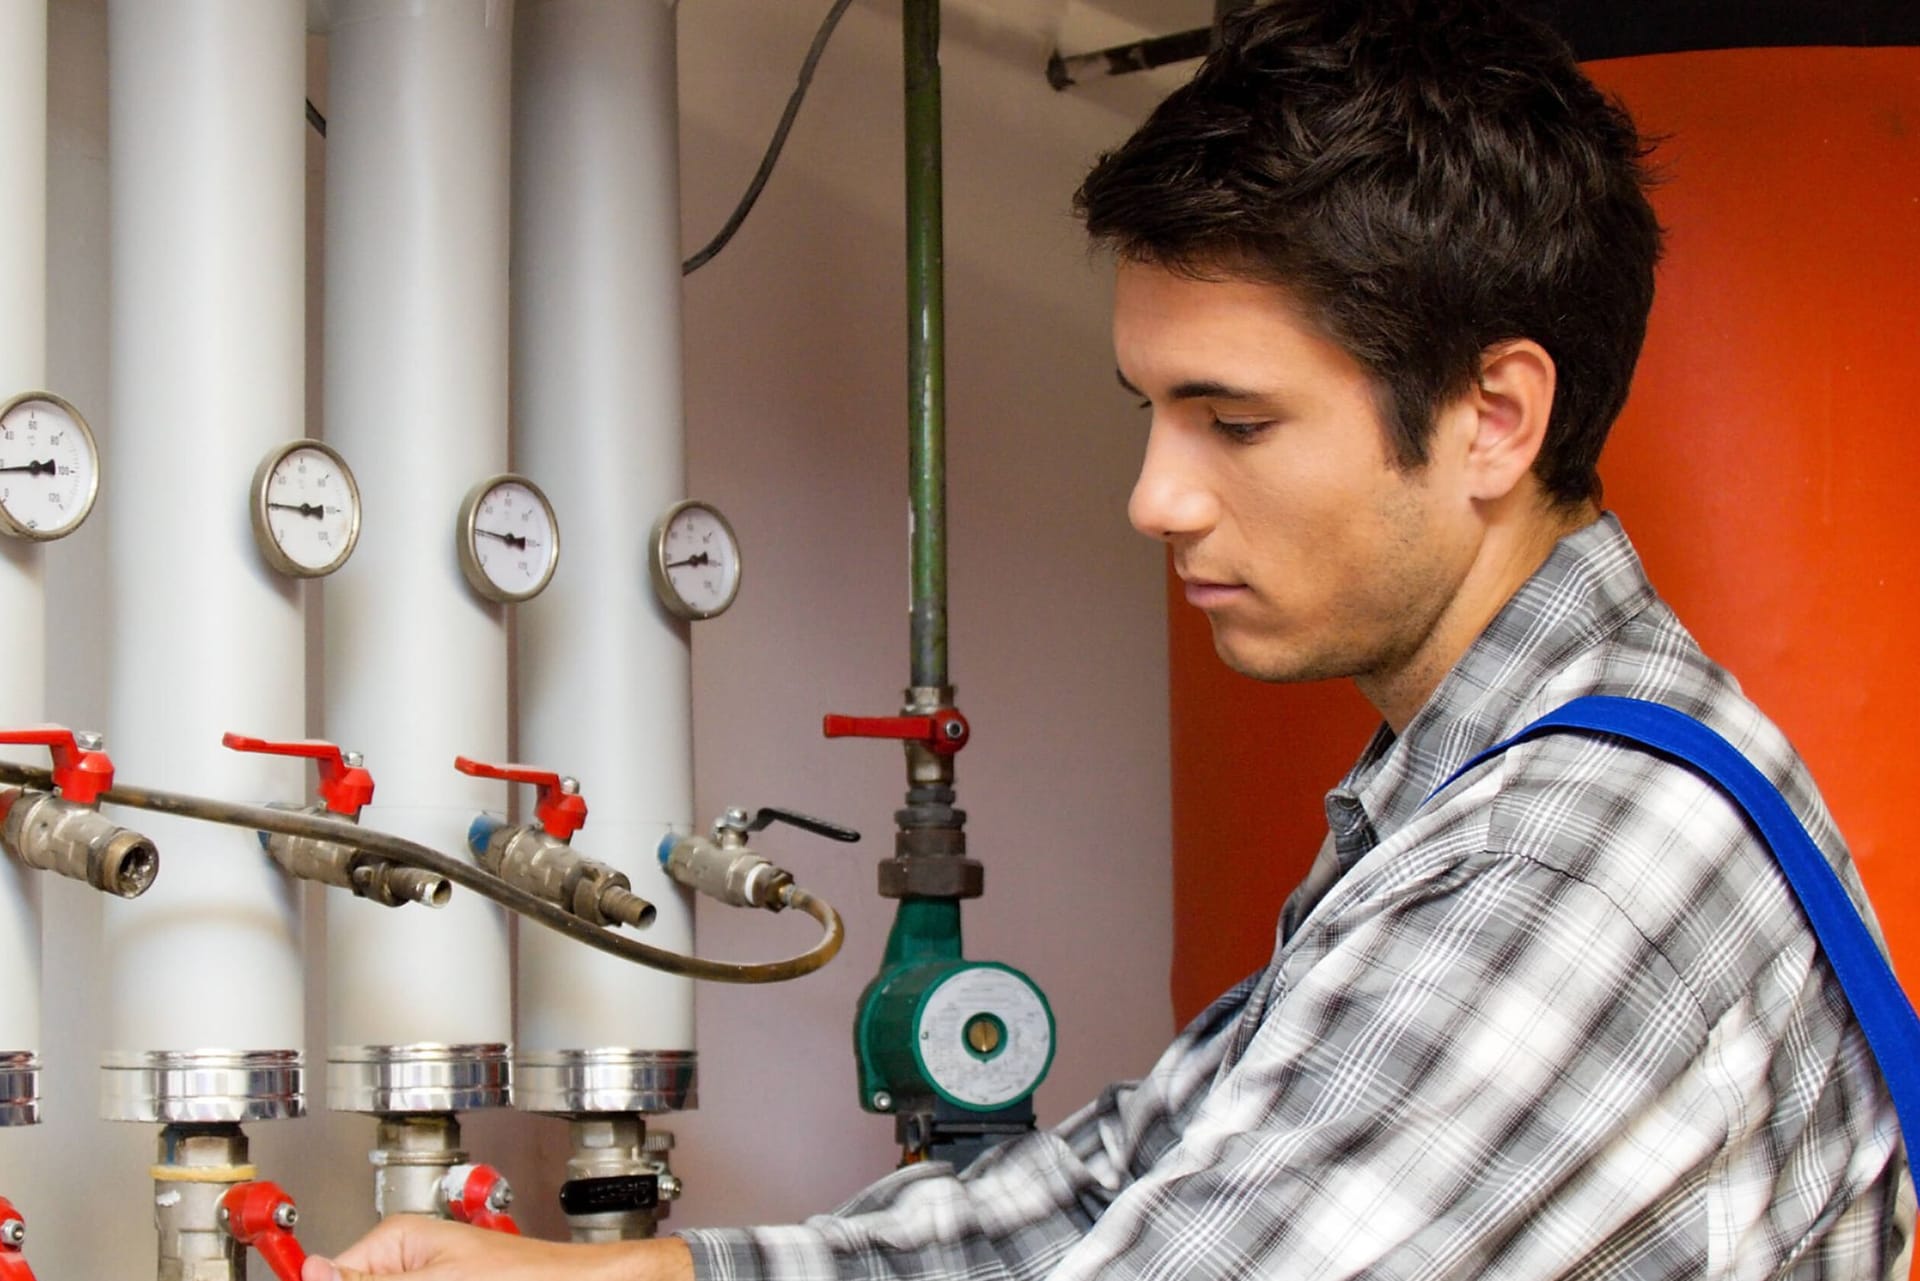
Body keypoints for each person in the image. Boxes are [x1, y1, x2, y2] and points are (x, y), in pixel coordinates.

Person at [305, 1, 1915, 1277]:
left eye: (1234, 420)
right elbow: (1128, 1184)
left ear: (1493, 416)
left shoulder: (1566, 870)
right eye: (1151, 413)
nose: (1156, 498)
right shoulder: (1480, 788)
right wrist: (654, 1274)